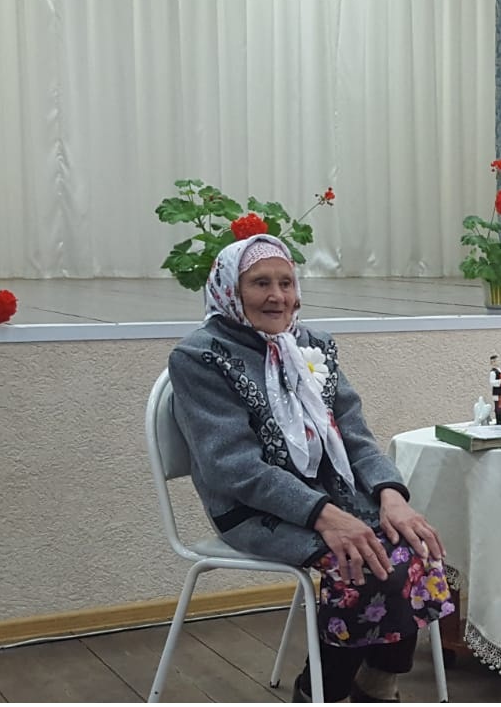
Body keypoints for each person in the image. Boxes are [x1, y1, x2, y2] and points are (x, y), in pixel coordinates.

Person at [168, 235, 453, 703]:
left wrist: (391, 495)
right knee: (363, 567)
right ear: (230, 290)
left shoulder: (313, 344)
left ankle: (378, 682)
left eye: (286, 282)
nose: (277, 296)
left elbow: (355, 437)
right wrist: (325, 515)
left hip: (334, 499)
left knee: (414, 545)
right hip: (254, 509)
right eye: (260, 283)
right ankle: (320, 691)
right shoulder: (200, 357)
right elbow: (233, 469)